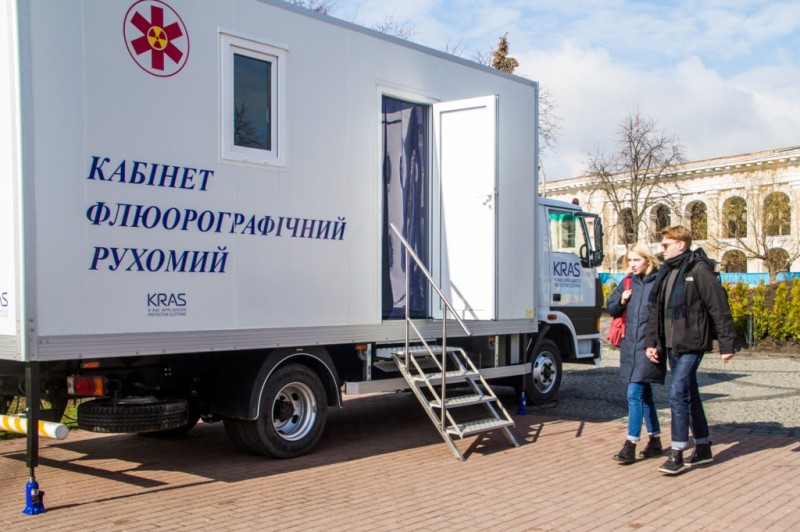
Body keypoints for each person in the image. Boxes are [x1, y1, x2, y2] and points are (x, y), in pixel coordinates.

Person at [645, 225, 735, 475]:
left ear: (680, 245)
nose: (661, 250)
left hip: (692, 342)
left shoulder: (699, 269)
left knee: (677, 391)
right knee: (689, 392)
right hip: (671, 344)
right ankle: (704, 446)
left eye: (666, 245)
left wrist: (727, 344)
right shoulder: (666, 272)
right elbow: (656, 311)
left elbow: (719, 306)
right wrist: (651, 343)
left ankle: (677, 452)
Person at [607, 243, 665, 464]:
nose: (632, 264)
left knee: (634, 394)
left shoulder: (658, 283)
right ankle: (655, 440)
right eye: (629, 260)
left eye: (636, 260)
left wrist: (657, 346)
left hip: (649, 347)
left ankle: (630, 444)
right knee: (645, 396)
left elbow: (662, 319)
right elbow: (611, 307)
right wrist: (622, 300)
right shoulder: (628, 282)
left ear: (648, 261)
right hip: (630, 346)